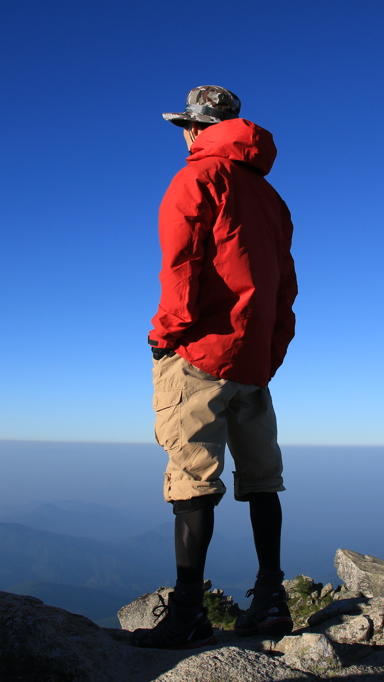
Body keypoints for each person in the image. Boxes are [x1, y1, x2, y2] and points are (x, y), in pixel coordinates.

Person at [131, 85, 298, 650]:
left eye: (185, 125)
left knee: (192, 480)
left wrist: (164, 338)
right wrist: (268, 353)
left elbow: (181, 263)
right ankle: (272, 597)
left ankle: (187, 614)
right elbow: (284, 289)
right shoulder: (272, 199)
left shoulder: (196, 178)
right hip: (253, 363)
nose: (183, 134)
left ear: (198, 127)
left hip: (199, 354)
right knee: (262, 480)